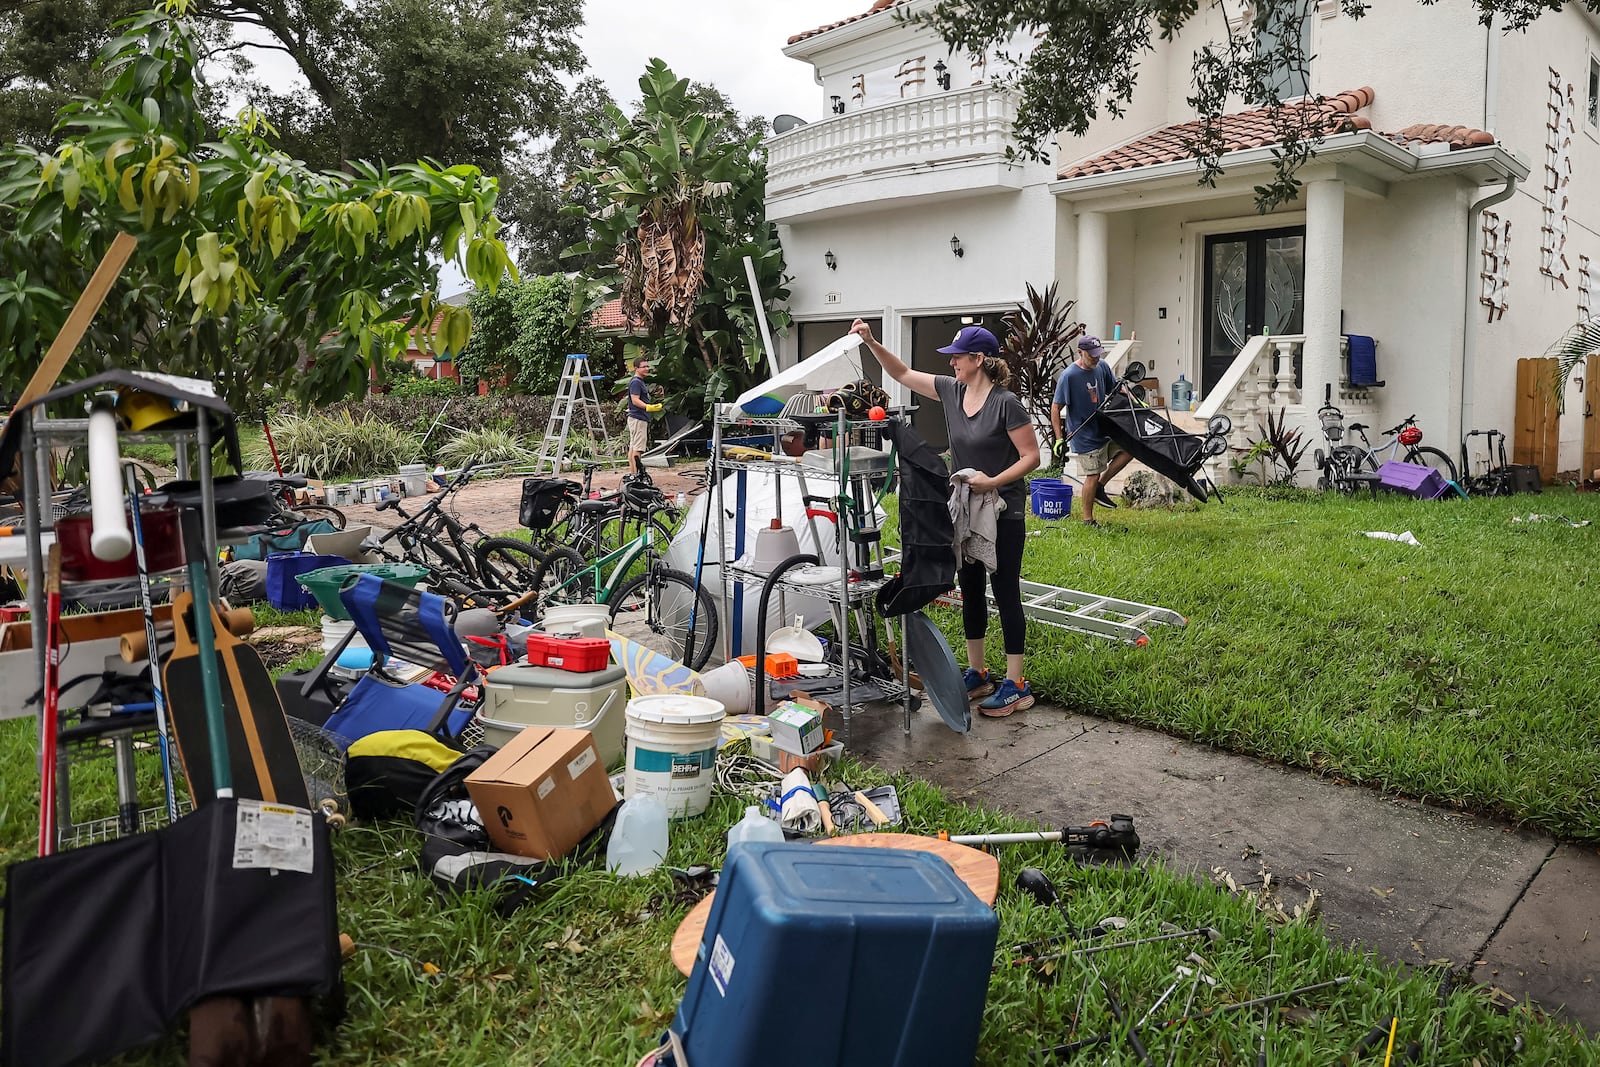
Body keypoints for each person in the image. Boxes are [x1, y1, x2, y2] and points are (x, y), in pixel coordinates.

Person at [851, 319, 1040, 716]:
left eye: (958, 357)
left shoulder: (1006, 403)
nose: (952, 363)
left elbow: (1032, 457)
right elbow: (901, 373)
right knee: (970, 588)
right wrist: (870, 341)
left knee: (1004, 591)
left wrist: (993, 482)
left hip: (1003, 510)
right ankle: (978, 672)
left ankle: (1016, 683)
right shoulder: (951, 391)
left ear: (978, 359)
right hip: (966, 507)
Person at [1051, 335, 1133, 527]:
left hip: (1104, 427)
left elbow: (1116, 388)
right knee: (1092, 474)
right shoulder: (1069, 376)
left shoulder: (1102, 366)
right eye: (1092, 355)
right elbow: (1055, 407)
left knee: (1129, 449)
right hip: (1084, 433)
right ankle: (1088, 519)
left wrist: (1135, 402)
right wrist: (1058, 438)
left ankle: (1100, 487)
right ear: (1080, 352)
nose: (1096, 358)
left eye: (1098, 354)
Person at [626, 357, 661, 473]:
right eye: (644, 367)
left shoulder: (639, 381)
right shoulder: (636, 382)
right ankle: (636, 477)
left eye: (647, 366)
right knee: (638, 449)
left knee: (633, 447)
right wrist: (648, 407)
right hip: (638, 418)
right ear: (636, 368)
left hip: (636, 418)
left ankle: (633, 474)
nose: (647, 369)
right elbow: (635, 400)